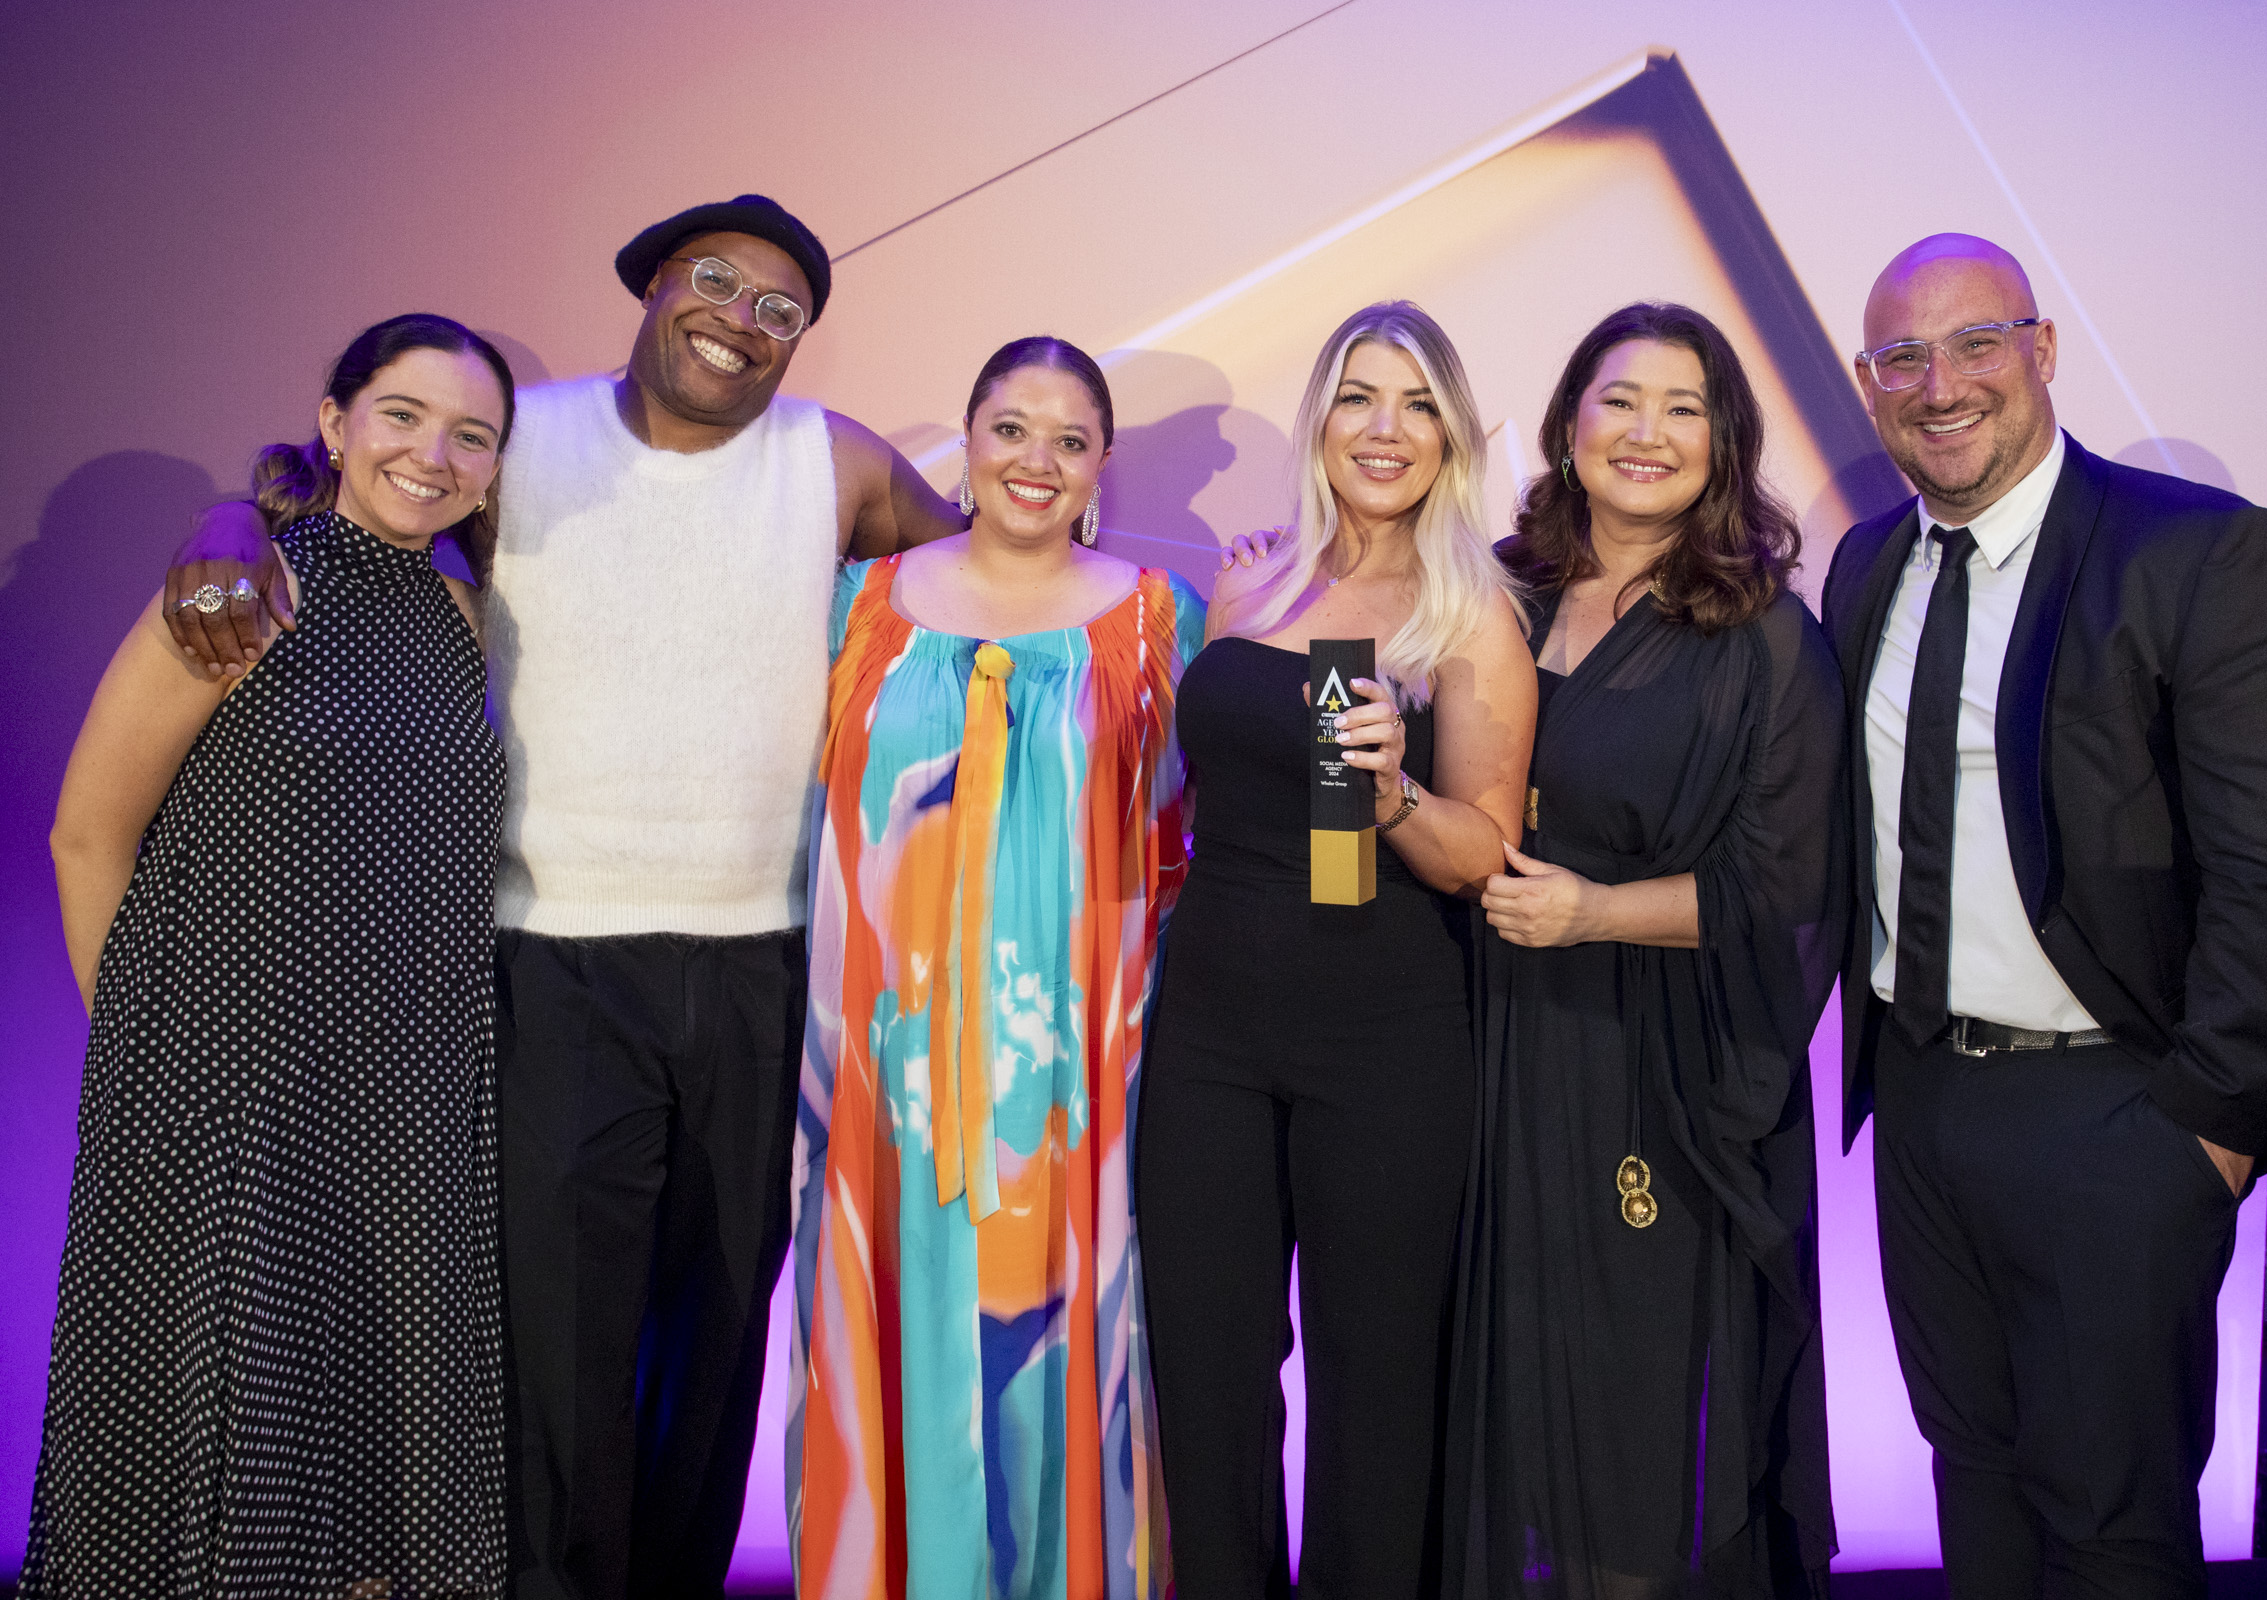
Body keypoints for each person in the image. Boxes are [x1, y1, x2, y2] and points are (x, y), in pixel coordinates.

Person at [163, 196, 966, 1600]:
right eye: (714, 280)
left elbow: (984, 574)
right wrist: (228, 514)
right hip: (554, 958)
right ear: (652, 285)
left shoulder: (833, 461)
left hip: (768, 962)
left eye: (781, 309)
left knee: (715, 1343)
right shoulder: (526, 435)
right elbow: (349, 490)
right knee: (562, 1349)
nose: (742, 319)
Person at [1819, 233, 2267, 1599]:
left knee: (2115, 1524)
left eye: (1977, 343)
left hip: (2118, 1115)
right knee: (1973, 1475)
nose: (1941, 384)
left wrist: (2209, 1136)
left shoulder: (2200, 553)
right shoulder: (1867, 567)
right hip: (1922, 1101)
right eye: (1902, 356)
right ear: (1869, 386)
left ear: (2042, 350)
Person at [32, 314, 515, 1597]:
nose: (433, 454)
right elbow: (88, 834)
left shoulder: (468, 618)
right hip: (230, 1092)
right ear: (335, 423)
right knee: (224, 1434)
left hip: (410, 1094)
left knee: (375, 1460)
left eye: (472, 435)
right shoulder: (249, 586)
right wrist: (146, 1053)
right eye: (402, 415)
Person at [790, 335, 1204, 1599]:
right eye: (1012, 428)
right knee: (883, 1323)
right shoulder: (851, 604)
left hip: (1077, 1089)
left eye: (1071, 440)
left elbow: (1200, 839)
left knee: (1063, 1354)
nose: (1038, 460)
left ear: (1102, 466)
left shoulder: (1163, 623)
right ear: (966, 441)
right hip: (880, 1077)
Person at [1138, 301, 1536, 1599]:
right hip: (1209, 1035)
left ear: (1452, 437)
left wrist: (1395, 800)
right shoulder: (1250, 578)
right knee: (1207, 1380)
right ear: (1321, 419)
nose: (1385, 427)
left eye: (1418, 404)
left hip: (1385, 1044)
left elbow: (1485, 854)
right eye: (1360, 395)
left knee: (1377, 1394)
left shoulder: (1471, 615)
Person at [1448, 303, 1845, 1598]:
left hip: (1650, 1070)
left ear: (1725, 444)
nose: (1647, 432)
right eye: (1620, 399)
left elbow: (1786, 891)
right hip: (1473, 1051)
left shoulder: (1765, 637)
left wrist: (1596, 912)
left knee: (1630, 1439)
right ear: (1569, 421)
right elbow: (1370, 805)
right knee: (1480, 1413)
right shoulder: (1488, 592)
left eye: (1685, 408)